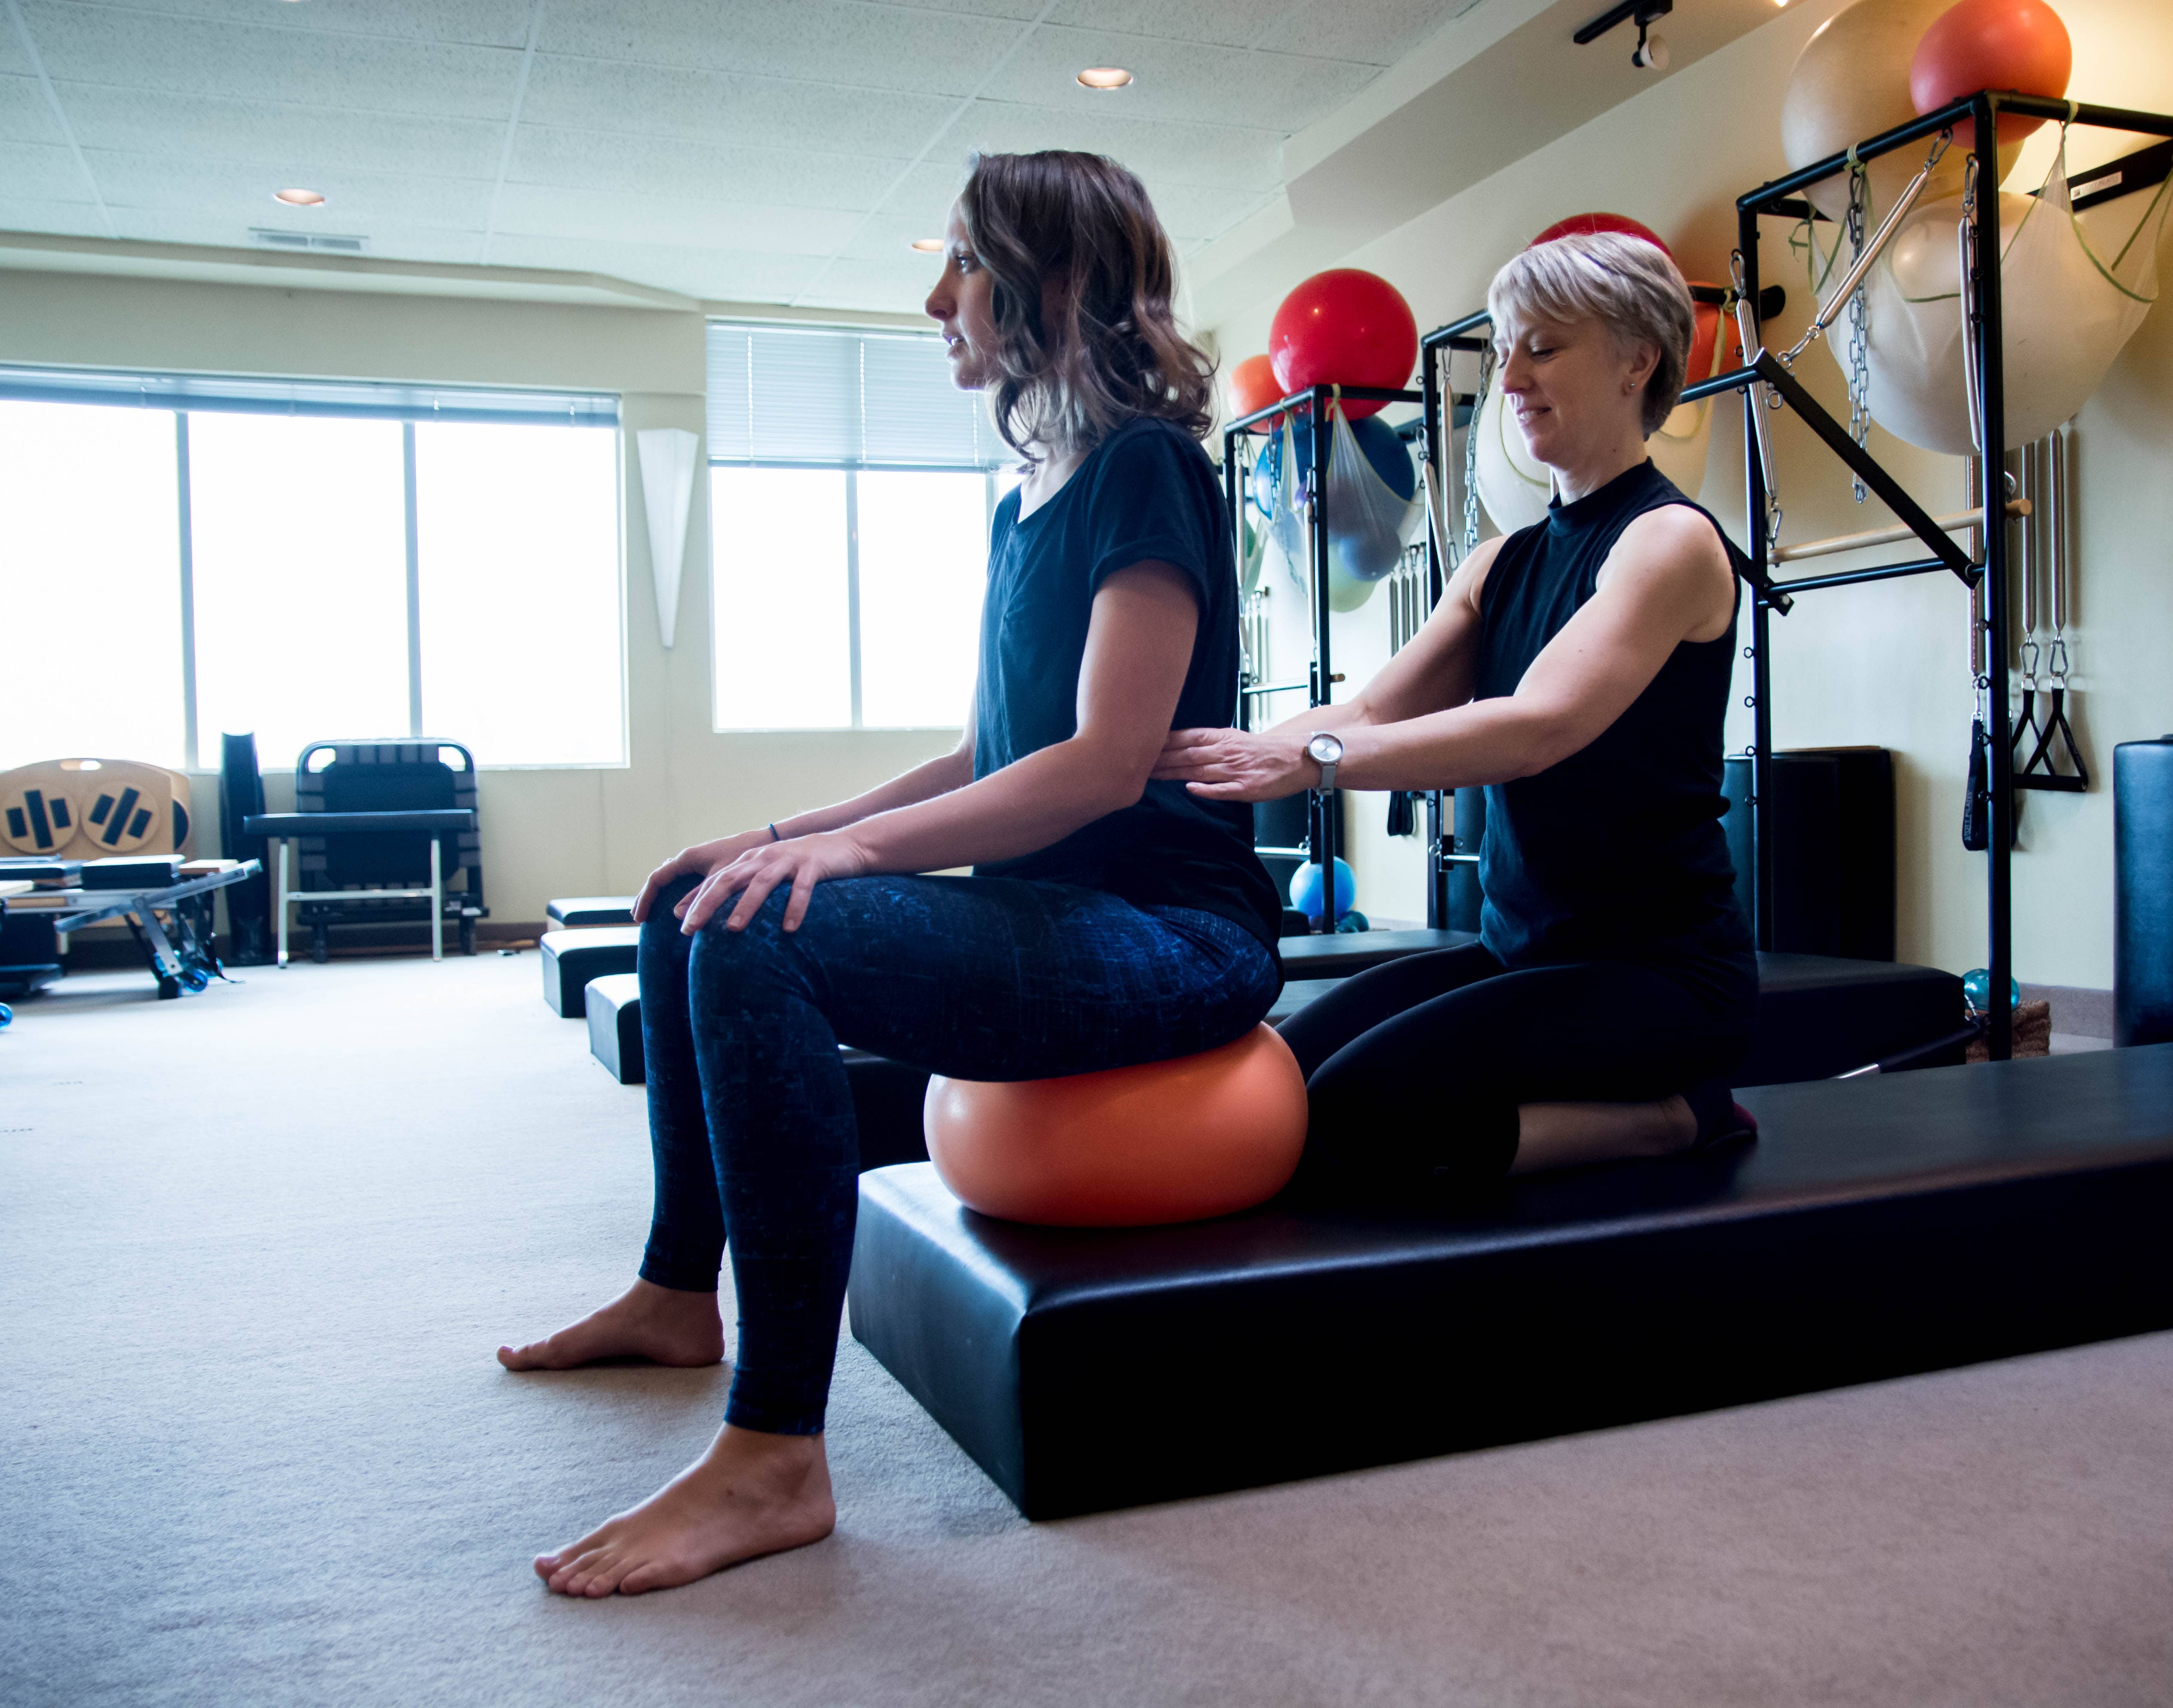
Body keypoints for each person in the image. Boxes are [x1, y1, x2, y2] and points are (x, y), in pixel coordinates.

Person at [501, 151, 1281, 1597]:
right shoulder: (1025, 498)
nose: (934, 298)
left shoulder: (1147, 469)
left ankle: (776, 1454)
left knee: (761, 941)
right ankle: (680, 1294)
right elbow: (990, 748)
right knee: (697, 897)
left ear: (1052, 284)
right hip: (1043, 908)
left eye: (964, 265)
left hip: (1171, 934)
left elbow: (1105, 763)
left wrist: (842, 856)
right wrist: (790, 831)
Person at [1156, 231, 1757, 1196]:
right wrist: (1179, 758)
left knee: (1356, 1119)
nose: (1510, 377)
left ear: (1637, 358)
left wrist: (1311, 762)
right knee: (1279, 1082)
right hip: (1518, 953)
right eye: (1507, 348)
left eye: (1544, 349)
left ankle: (1674, 1119)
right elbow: (1367, 708)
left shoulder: (1670, 544)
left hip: (1658, 976)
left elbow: (1538, 726)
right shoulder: (1501, 565)